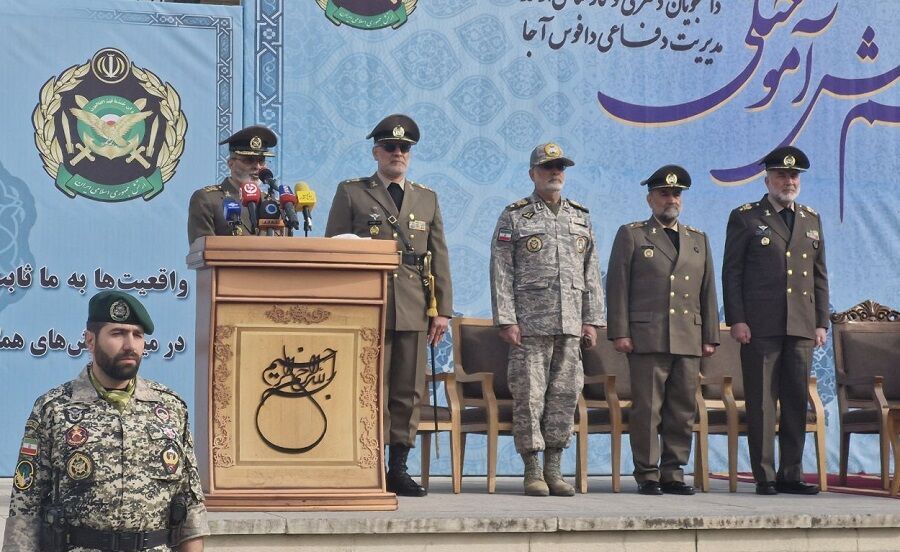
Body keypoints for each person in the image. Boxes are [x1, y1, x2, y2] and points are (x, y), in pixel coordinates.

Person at [3, 291, 208, 551]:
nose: (130, 345)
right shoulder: (53, 408)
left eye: (138, 335)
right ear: (90, 340)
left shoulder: (170, 408)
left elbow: (190, 506)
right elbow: (25, 507)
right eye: (117, 333)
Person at [324, 114, 452, 497]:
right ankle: (365, 462)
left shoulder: (426, 197)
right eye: (391, 147)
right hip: (367, 302)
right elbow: (335, 249)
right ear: (376, 151)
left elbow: (439, 255)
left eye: (405, 148)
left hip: (413, 303)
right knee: (366, 386)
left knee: (408, 390)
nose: (398, 153)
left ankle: (397, 466)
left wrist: (442, 308)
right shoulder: (352, 192)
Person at [489, 143, 604, 497]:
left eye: (560, 168)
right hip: (530, 326)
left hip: (571, 325)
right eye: (547, 167)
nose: (555, 173)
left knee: (565, 396)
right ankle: (533, 469)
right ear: (532, 174)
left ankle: (555, 468)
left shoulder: (580, 216)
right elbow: (501, 271)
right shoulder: (515, 216)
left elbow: (591, 273)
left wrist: (592, 320)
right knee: (529, 398)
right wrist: (507, 319)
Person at [606, 165, 719, 496]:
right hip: (648, 335)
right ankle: (647, 471)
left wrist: (709, 335)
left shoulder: (697, 239)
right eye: (664, 194)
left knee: (682, 409)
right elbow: (617, 286)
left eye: (676, 194)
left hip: (687, 335)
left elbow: (708, 290)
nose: (671, 199)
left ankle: (673, 470)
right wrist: (620, 332)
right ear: (650, 198)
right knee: (648, 409)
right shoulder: (633, 234)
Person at [723, 145, 829, 496]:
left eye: (794, 175)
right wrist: (737, 319)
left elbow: (819, 275)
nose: (789, 181)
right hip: (760, 325)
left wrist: (820, 323)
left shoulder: (811, 218)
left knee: (797, 401)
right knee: (763, 403)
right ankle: (765, 474)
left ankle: (791, 472)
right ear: (767, 178)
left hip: (800, 325)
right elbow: (732, 273)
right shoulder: (746, 216)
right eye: (782, 175)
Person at [187, 125, 277, 244]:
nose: (257, 167)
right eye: (249, 160)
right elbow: (202, 252)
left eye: (261, 161)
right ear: (230, 164)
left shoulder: (271, 203)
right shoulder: (207, 199)